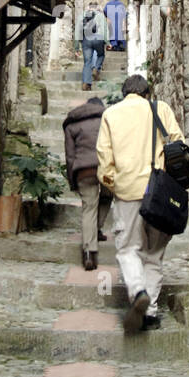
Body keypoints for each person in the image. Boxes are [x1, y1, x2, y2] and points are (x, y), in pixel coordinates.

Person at [96, 74, 183, 334]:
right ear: (147, 92)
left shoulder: (111, 114)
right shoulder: (162, 109)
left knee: (128, 249)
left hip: (128, 192)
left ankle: (137, 291)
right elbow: (179, 146)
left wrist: (115, 184)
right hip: (159, 194)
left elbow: (104, 159)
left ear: (124, 92)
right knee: (154, 255)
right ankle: (151, 312)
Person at [63, 96, 111, 270]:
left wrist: (72, 180)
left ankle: (89, 252)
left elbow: (69, 156)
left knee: (89, 207)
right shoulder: (107, 118)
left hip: (83, 170)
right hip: (105, 167)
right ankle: (97, 229)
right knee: (107, 196)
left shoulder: (72, 123)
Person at [74, 1, 108, 90]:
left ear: (88, 7)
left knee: (87, 62)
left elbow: (77, 31)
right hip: (98, 38)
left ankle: (86, 83)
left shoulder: (82, 15)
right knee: (101, 55)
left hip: (86, 40)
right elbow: (105, 30)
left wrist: (76, 47)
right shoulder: (100, 15)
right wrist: (107, 42)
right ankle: (96, 68)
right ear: (97, 7)